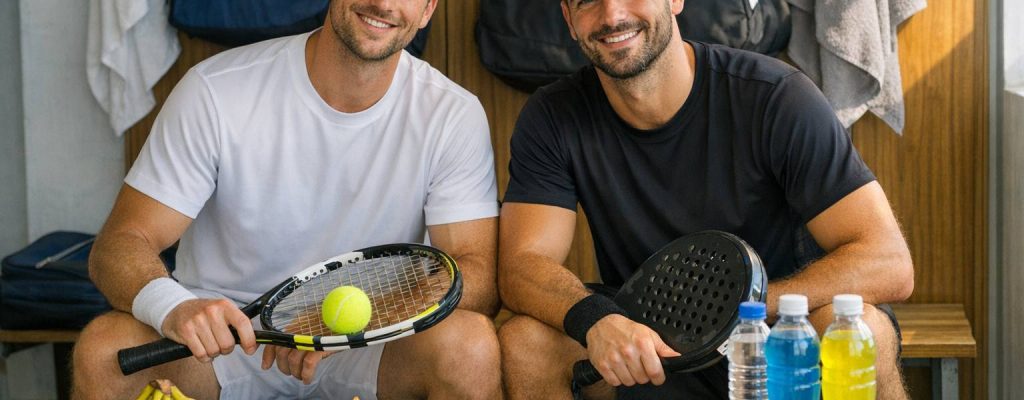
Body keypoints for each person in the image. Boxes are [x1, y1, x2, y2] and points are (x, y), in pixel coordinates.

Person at [72, 0, 502, 398]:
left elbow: (476, 274)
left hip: (370, 342)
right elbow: (118, 244)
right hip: (227, 346)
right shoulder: (216, 89)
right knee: (104, 350)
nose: (384, 4)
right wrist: (176, 307)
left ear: (427, 9)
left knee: (470, 348)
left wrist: (360, 323)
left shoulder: (452, 114)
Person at [496, 0, 914, 399]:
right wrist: (597, 320)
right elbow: (521, 265)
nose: (612, 15)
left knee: (859, 329)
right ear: (569, 20)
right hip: (650, 345)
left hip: (775, 336)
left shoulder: (776, 96)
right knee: (525, 340)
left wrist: (736, 312)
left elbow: (888, 261)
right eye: (587, 2)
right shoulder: (552, 116)